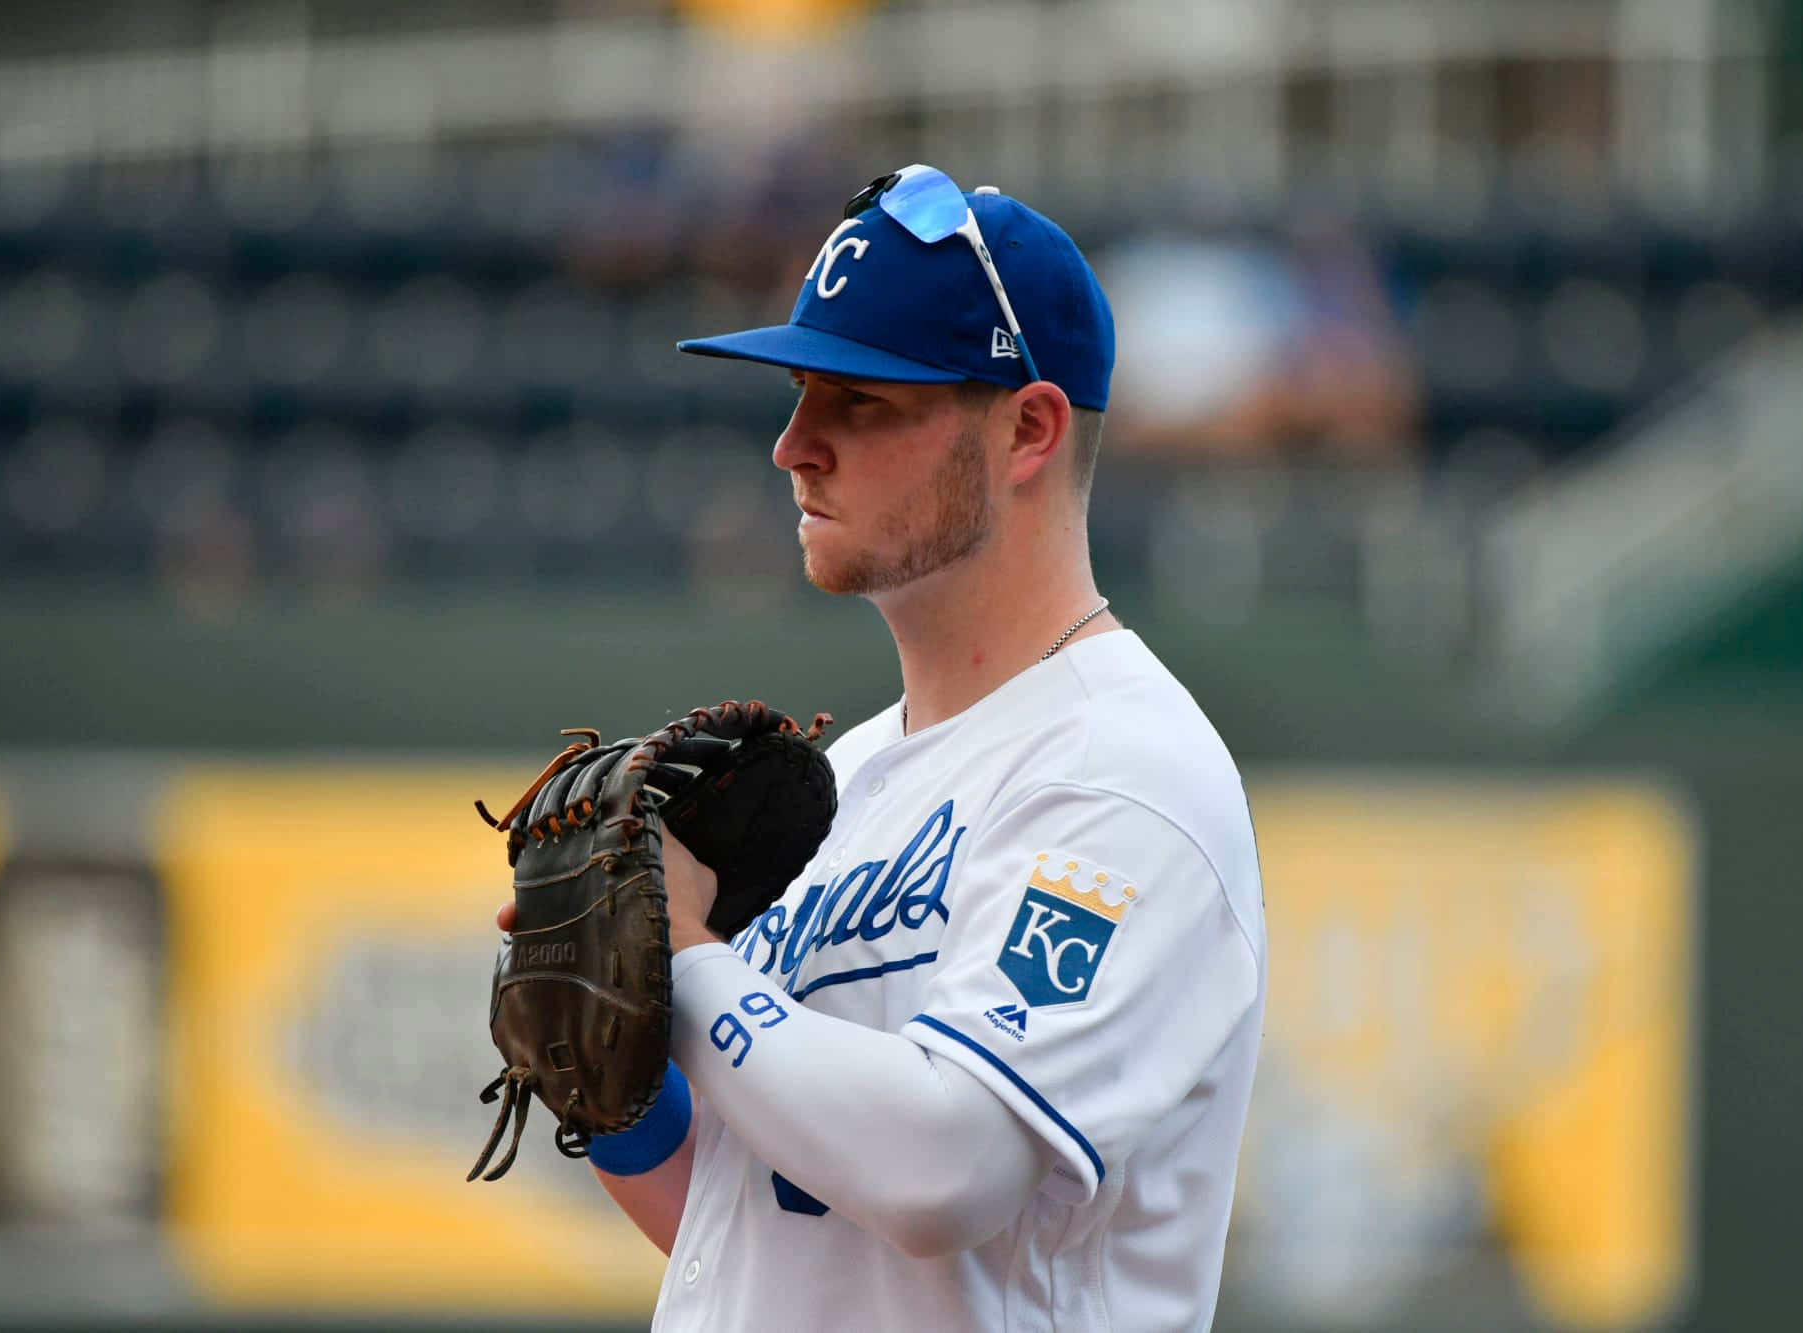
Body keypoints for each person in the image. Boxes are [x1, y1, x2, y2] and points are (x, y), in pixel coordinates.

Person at [496, 165, 1266, 1331]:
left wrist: (693, 964)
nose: (794, 445)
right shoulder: (848, 779)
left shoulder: (1122, 773)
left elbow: (941, 1168)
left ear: (1027, 429)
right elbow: (768, 1216)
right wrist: (623, 1091)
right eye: (801, 390)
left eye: (860, 401)